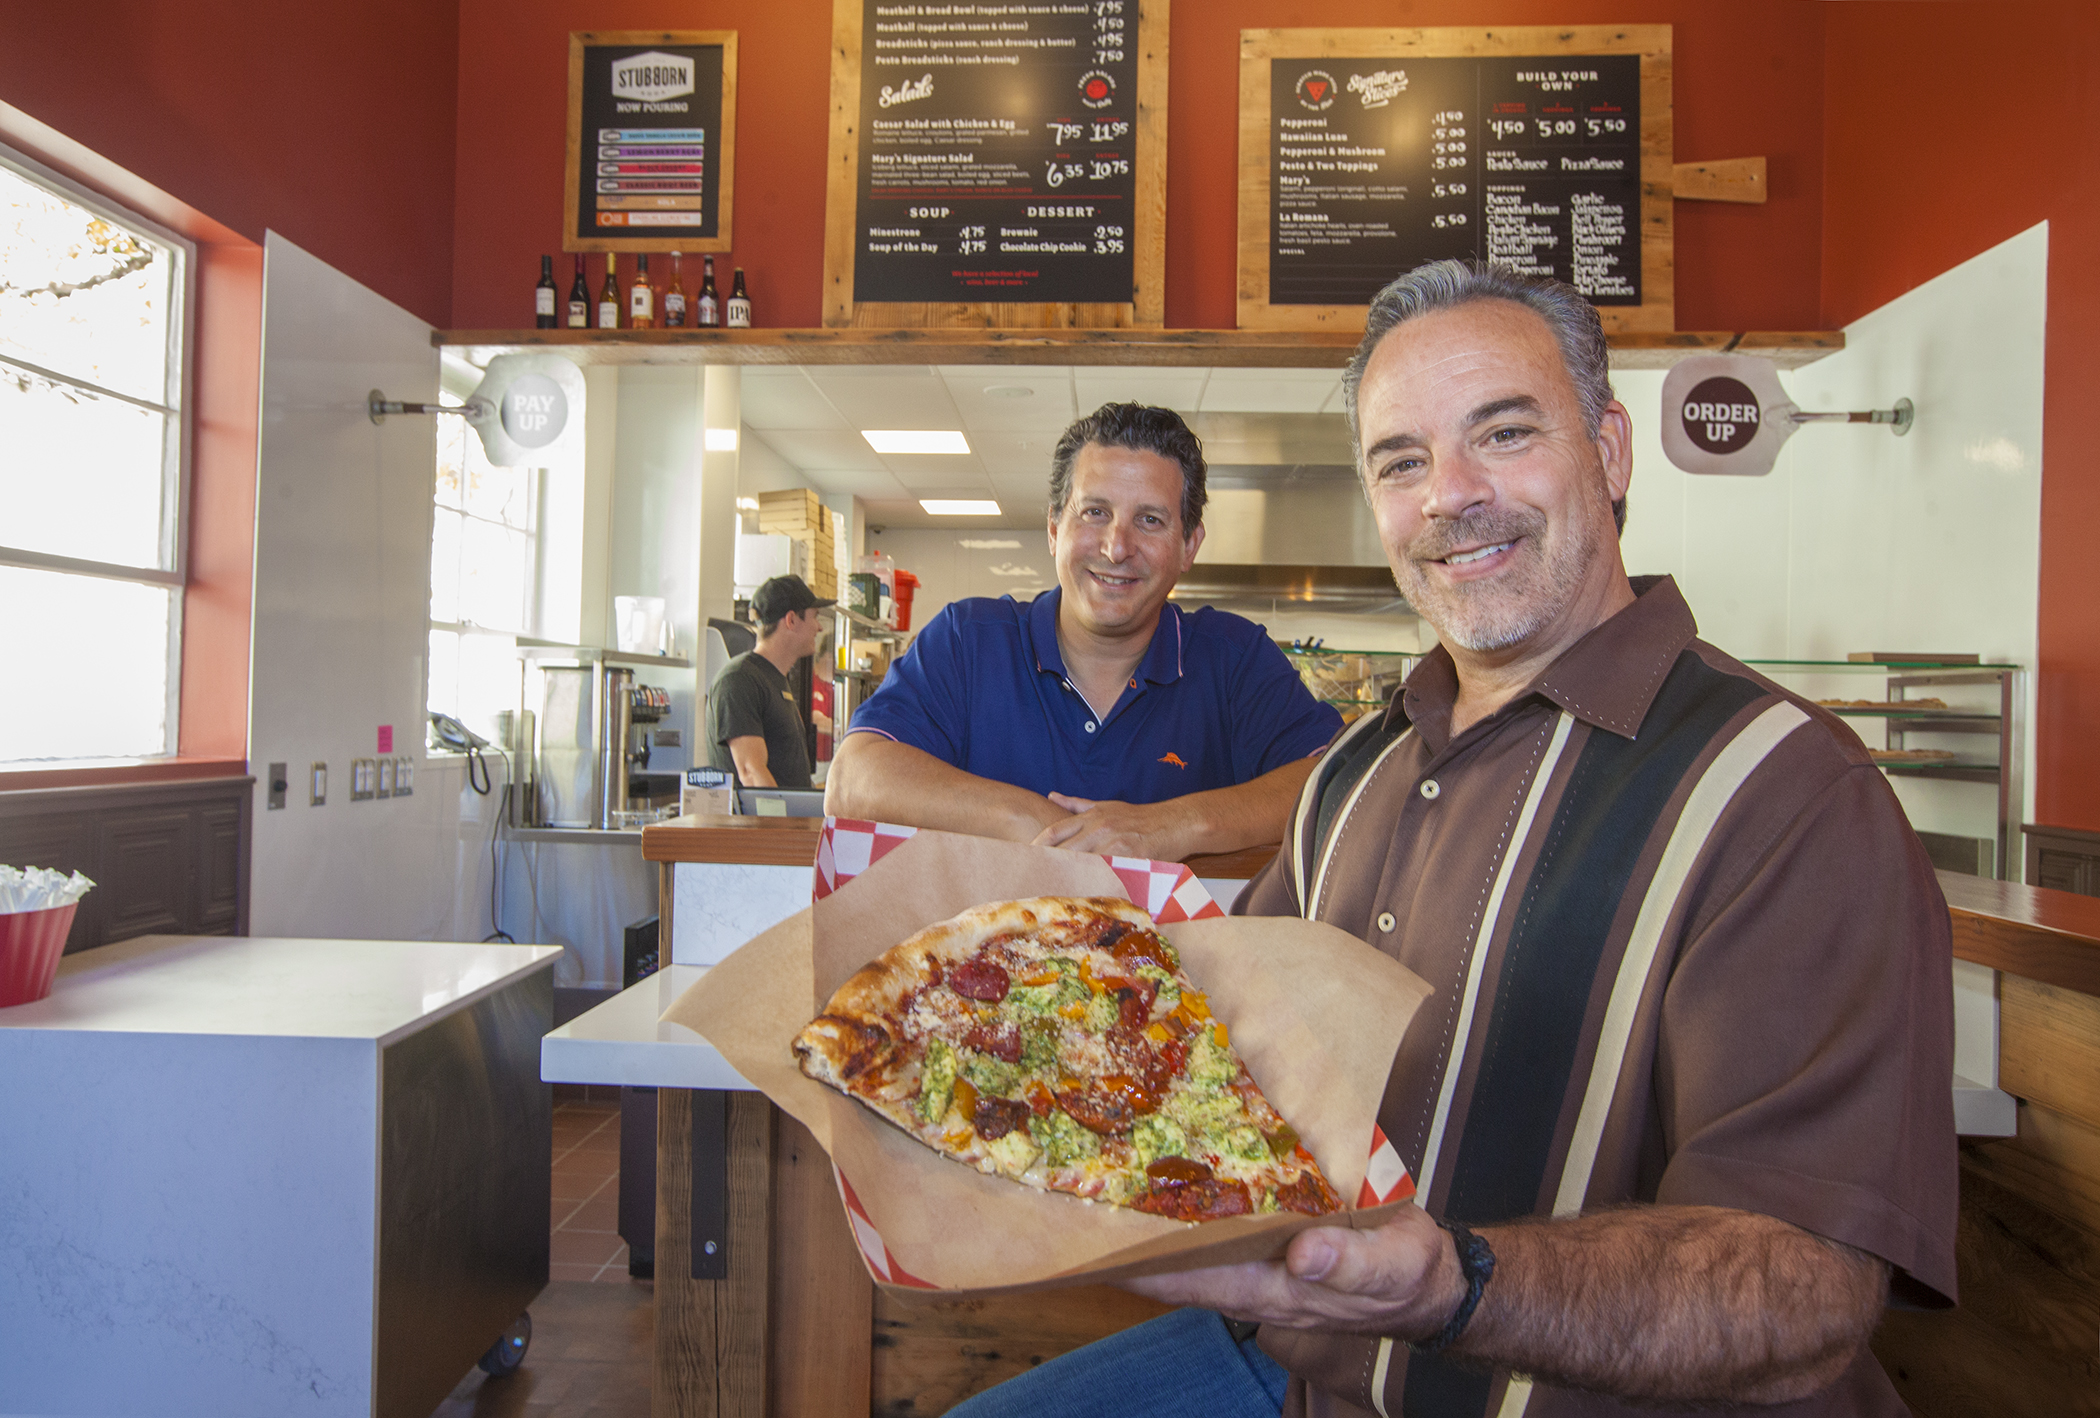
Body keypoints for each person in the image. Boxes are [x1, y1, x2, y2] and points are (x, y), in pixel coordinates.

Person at [948, 262, 1958, 1417]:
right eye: (1403, 460)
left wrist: (1453, 1283)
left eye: (1505, 432)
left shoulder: (1787, 793)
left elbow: (1806, 1289)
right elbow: (1213, 1052)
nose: (1450, 495)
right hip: (1306, 1370)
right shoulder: (1348, 775)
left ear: (1612, 452)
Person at [825, 403, 1343, 862]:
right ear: (1054, 529)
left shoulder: (1235, 659)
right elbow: (852, 780)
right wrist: (1043, 826)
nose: (1117, 547)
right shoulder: (968, 641)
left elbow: (1337, 783)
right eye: (1095, 513)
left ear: (1190, 545)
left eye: (1151, 520)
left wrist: (1171, 825)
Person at [705, 574, 830, 789]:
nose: (819, 627)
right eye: (815, 617)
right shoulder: (739, 680)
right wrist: (779, 822)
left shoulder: (775, 679)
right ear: (791, 620)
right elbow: (752, 774)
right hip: (762, 823)